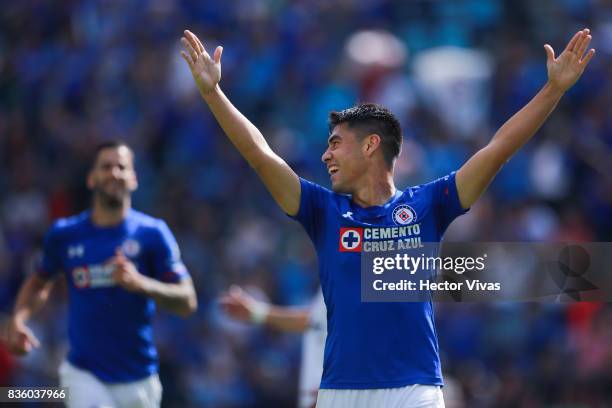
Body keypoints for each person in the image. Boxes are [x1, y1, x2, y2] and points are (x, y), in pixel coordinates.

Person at [180, 28, 595, 407]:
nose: (326, 155)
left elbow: (499, 148)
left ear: (370, 146)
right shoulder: (323, 211)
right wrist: (214, 94)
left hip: (414, 389)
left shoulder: (430, 204)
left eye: (336, 144)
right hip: (341, 392)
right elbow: (259, 154)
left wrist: (553, 90)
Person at [6, 141, 198, 408]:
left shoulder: (153, 234)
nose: (114, 173)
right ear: (91, 178)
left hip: (140, 380)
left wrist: (140, 283)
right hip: (84, 375)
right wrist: (18, 318)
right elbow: (40, 281)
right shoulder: (65, 234)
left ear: (133, 179)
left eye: (122, 167)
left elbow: (187, 301)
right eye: (106, 166)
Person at [220, 285, 326, 408]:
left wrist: (334, 390)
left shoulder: (347, 274)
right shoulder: (333, 277)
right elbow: (315, 320)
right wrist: (256, 313)